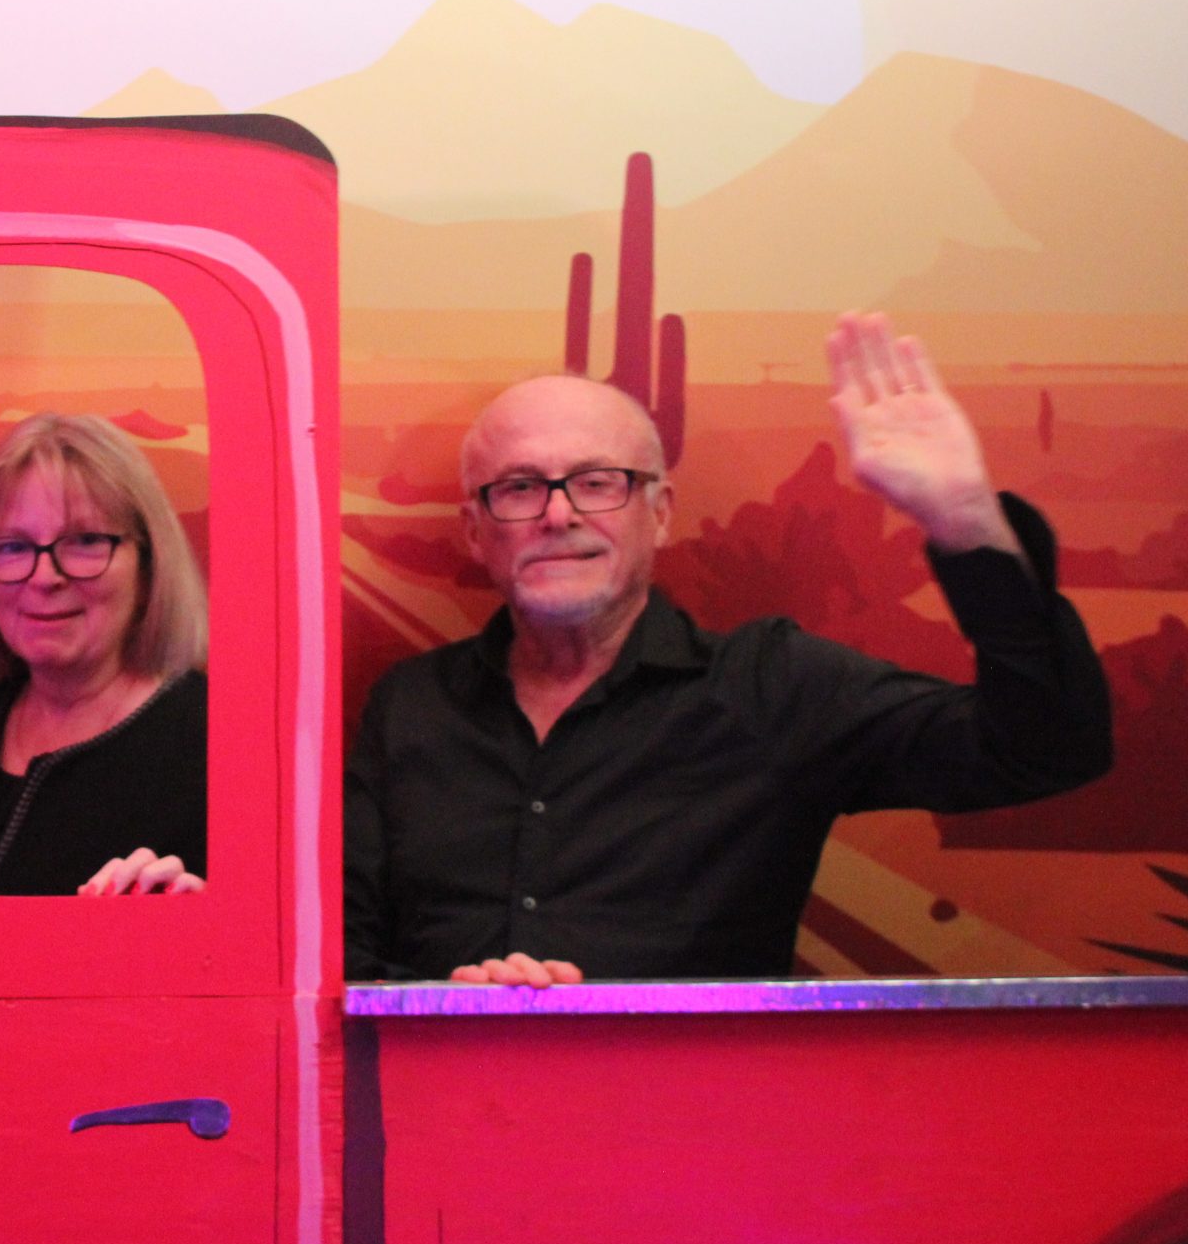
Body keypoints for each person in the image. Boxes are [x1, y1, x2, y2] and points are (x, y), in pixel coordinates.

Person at [346, 312, 1113, 985]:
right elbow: (341, 948)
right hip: (435, 1097)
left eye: (598, 481)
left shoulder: (773, 686)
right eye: (519, 487)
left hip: (698, 1105)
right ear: (476, 531)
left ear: (660, 513)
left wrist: (966, 519)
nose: (558, 514)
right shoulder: (411, 706)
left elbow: (1047, 747)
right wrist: (442, 1001)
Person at [0, 412, 209, 897]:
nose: (44, 577)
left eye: (85, 541)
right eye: (14, 547)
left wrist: (200, 921)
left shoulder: (216, 746)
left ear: (148, 567)